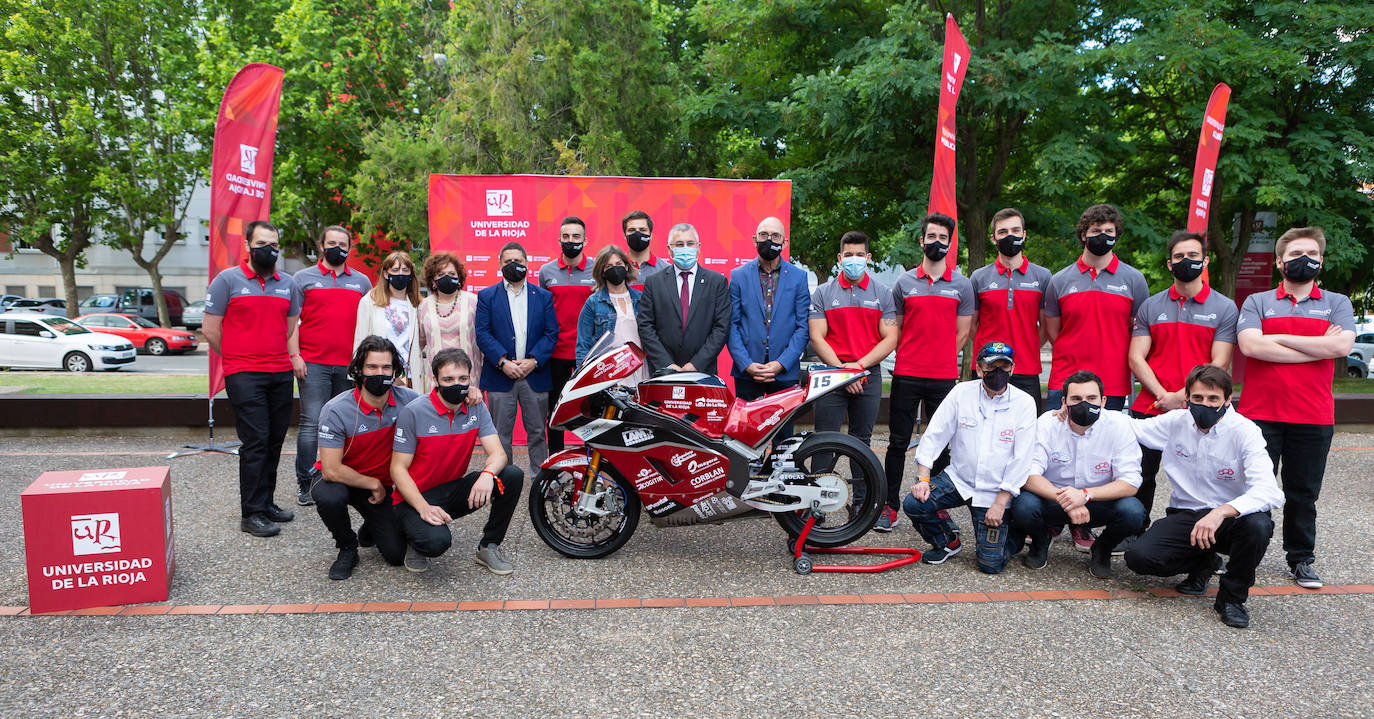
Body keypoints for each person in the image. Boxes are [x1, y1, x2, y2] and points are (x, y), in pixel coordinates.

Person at [1235, 226, 1354, 590]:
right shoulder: (1257, 301)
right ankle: (1242, 556)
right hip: (1260, 413)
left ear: (1321, 260)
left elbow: (1342, 348)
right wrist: (1315, 344)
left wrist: (1278, 338)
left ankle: (1301, 559)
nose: (1305, 260)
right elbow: (1251, 347)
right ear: (1279, 261)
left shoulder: (1337, 303)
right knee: (1253, 489)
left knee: (1303, 494)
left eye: (1312, 254)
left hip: (1313, 416)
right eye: (1296, 253)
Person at [1125, 365, 1284, 629]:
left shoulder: (1246, 431)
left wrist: (1221, 512)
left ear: (1227, 400)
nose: (1205, 405)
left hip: (1232, 518)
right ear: (1186, 398)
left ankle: (1231, 598)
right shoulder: (1176, 421)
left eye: (1213, 399)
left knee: (1258, 525)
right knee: (1139, 557)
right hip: (1187, 514)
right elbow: (1132, 428)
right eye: (1197, 398)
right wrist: (1068, 415)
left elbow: (1268, 491)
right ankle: (1204, 561)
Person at [1123, 230, 1238, 552]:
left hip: (1200, 410)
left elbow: (1220, 364)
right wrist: (1165, 395)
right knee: (1141, 477)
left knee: (1202, 479)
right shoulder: (1151, 305)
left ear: (1205, 260)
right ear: (1169, 263)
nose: (1186, 262)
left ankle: (1203, 543)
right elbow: (1136, 356)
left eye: (1193, 256)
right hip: (1151, 406)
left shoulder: (1225, 308)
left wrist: (1183, 398)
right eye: (1179, 257)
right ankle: (1136, 531)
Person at [202, 220, 302, 537]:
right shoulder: (226, 281)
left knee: (274, 440)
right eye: (262, 244)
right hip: (244, 374)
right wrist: (235, 357)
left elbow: (289, 328)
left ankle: (267, 502)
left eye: (274, 245)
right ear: (247, 246)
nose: (269, 250)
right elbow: (210, 330)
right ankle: (253, 512)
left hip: (280, 374)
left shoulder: (288, 284)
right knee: (256, 441)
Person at [902, 342, 1037, 573]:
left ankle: (1013, 532)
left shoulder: (1024, 402)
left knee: (990, 565)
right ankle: (947, 542)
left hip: (996, 490)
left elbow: (1021, 458)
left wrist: (1001, 504)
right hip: (959, 480)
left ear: (1012, 370)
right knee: (915, 503)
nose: (998, 373)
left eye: (1004, 367)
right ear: (978, 368)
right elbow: (935, 435)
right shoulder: (960, 393)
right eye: (991, 367)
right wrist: (923, 479)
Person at [390, 349, 524, 574]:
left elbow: (498, 454)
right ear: (436, 381)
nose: (457, 385)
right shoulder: (413, 412)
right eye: (448, 380)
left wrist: (487, 475)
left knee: (511, 475)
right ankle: (415, 538)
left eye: (463, 379)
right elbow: (397, 469)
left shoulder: (475, 405)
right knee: (436, 543)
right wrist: (423, 508)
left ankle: (488, 546)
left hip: (450, 491)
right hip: (412, 498)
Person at [882, 212, 974, 532]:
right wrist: (913, 355)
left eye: (943, 238)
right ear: (921, 241)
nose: (937, 243)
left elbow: (962, 334)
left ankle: (936, 504)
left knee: (942, 446)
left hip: (943, 377)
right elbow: (899, 329)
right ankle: (890, 505)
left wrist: (940, 358)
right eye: (931, 237)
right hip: (907, 373)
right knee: (897, 442)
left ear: (950, 244)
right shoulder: (904, 282)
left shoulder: (962, 284)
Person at [1011, 370, 1144, 578]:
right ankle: (1040, 541)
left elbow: (1130, 482)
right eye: (1076, 398)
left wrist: (1084, 495)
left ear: (1103, 401)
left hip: (1095, 500)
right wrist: (1068, 499)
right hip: (1054, 498)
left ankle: (1102, 548)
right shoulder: (1048, 423)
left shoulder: (1119, 425)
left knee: (1133, 511)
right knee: (1023, 505)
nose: (1084, 403)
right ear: (1064, 402)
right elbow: (1028, 474)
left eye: (1091, 398)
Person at [311, 336, 419, 579]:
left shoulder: (409, 401)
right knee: (329, 496)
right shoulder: (336, 410)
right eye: (372, 367)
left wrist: (471, 393)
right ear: (359, 370)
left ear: (395, 371)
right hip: (344, 479)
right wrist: (373, 483)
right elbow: (330, 469)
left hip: (384, 486)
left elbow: (442, 404)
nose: (379, 374)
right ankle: (347, 547)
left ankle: (371, 527)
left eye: (386, 368)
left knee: (396, 555)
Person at [290, 226, 373, 506]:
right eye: (332, 243)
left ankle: (341, 477)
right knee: (312, 423)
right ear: (322, 245)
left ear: (350, 248)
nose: (337, 247)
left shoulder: (361, 282)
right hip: (313, 363)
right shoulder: (302, 279)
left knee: (346, 425)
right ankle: (306, 482)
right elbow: (292, 322)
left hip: (349, 366)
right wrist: (295, 356)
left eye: (343, 243)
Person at [1043, 203, 1149, 411]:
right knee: (1057, 443)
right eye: (1096, 231)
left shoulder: (1134, 280)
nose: (1103, 235)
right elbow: (1054, 332)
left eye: (1109, 231)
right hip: (1065, 380)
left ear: (1116, 235)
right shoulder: (1059, 280)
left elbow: (1138, 332)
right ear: (1084, 235)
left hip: (1112, 382)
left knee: (1107, 443)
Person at [808, 231, 898, 462]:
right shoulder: (823, 293)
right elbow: (817, 337)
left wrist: (857, 368)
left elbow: (890, 338)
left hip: (868, 374)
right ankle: (820, 496)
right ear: (840, 258)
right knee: (824, 441)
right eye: (849, 255)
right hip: (831, 374)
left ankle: (863, 498)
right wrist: (843, 372)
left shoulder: (883, 294)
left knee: (861, 443)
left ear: (868, 257)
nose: (854, 259)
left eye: (859, 254)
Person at [475, 242, 560, 475]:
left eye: (518, 262)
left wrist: (533, 360)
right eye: (508, 262)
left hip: (536, 375)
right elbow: (482, 333)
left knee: (537, 433)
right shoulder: (487, 296)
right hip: (500, 376)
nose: (514, 265)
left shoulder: (542, 296)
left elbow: (551, 333)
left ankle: (541, 483)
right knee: (500, 435)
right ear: (500, 264)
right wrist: (503, 362)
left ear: (527, 264)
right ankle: (504, 481)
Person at [728, 216, 811, 438]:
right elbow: (732, 325)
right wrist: (746, 364)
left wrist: (781, 364)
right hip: (748, 373)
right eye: (764, 235)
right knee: (746, 437)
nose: (769, 240)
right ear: (755, 240)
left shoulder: (799, 277)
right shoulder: (738, 276)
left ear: (784, 242)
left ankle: (779, 474)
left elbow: (803, 328)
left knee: (783, 439)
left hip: (784, 374)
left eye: (775, 236)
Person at [969, 208, 1053, 413]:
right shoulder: (979, 277)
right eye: (1003, 232)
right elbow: (971, 326)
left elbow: (1046, 326)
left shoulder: (1043, 276)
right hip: (986, 367)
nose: (1010, 236)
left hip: (1026, 368)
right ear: (993, 238)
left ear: (1024, 234)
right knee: (980, 430)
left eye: (1016, 230)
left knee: (1025, 433)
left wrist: (1029, 345)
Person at [636, 222, 731, 375]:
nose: (685, 248)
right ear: (670, 249)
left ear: (698, 247)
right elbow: (645, 326)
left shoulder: (717, 282)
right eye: (679, 244)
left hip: (702, 372)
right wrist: (666, 364)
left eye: (690, 243)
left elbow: (721, 327)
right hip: (663, 372)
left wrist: (696, 364)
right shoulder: (654, 282)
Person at [538, 216, 596, 453]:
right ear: (559, 239)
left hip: (589, 354)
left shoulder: (597, 269)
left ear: (585, 240)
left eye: (576, 237)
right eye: (566, 237)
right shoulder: (546, 271)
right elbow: (542, 311)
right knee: (555, 411)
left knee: (592, 411)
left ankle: (595, 462)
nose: (570, 241)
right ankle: (556, 460)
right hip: (557, 352)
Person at [416, 251, 483, 396]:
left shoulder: (474, 302)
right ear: (433, 280)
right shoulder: (423, 307)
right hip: (436, 380)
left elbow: (483, 340)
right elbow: (420, 343)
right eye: (440, 274)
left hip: (469, 380)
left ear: (459, 277)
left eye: (451, 274)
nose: (446, 277)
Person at [575, 246, 644, 382]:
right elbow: (583, 345)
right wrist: (582, 379)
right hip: (608, 373)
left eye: (619, 264)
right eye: (609, 266)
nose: (615, 269)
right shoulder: (593, 302)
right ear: (602, 271)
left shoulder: (641, 299)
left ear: (626, 266)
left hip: (640, 369)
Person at [353, 251, 423, 383]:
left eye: (405, 270)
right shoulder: (369, 301)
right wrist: (358, 375)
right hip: (379, 371)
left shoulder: (418, 304)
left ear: (411, 274)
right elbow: (360, 340)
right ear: (385, 274)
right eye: (395, 270)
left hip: (409, 375)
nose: (400, 274)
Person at [622, 210, 667, 290]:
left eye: (643, 230)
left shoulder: (666, 270)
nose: (637, 234)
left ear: (651, 235)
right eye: (632, 230)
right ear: (625, 236)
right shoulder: (617, 268)